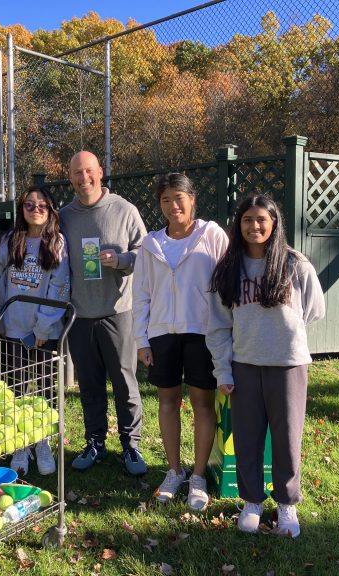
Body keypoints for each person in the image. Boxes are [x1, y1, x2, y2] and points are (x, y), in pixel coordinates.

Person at [207, 194, 325, 537]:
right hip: (244, 365)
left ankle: (287, 504)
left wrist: (285, 334)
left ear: (274, 223)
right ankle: (252, 501)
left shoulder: (295, 264)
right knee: (246, 438)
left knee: (287, 438)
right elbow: (217, 326)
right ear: (238, 224)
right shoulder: (229, 268)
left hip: (288, 366)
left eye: (261, 220)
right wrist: (223, 371)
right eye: (247, 220)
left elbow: (315, 309)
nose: (254, 226)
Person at [132, 173, 228, 511]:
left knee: (203, 403)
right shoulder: (150, 244)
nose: (173, 206)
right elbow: (141, 294)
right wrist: (142, 340)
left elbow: (229, 281)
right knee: (167, 402)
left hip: (203, 333)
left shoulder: (212, 234)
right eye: (165, 200)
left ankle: (198, 477)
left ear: (192, 199)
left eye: (179, 198)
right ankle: (174, 471)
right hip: (162, 335)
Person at [60, 150, 148, 476]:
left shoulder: (124, 210)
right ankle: (95, 443)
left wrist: (122, 260)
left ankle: (131, 446)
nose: (84, 178)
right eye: (77, 173)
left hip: (117, 313)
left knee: (125, 384)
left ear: (101, 172)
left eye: (89, 171)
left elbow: (145, 253)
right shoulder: (64, 216)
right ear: (70, 177)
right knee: (90, 387)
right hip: (80, 316)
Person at [0, 185, 70, 477]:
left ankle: (42, 441)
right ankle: (20, 443)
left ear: (50, 210)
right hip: (12, 329)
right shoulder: (11, 240)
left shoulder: (58, 243)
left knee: (44, 389)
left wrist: (43, 326)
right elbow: (0, 279)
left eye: (41, 205)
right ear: (21, 210)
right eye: (28, 205)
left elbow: (60, 288)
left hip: (44, 333)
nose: (35, 210)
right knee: (15, 389)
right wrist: (3, 316)